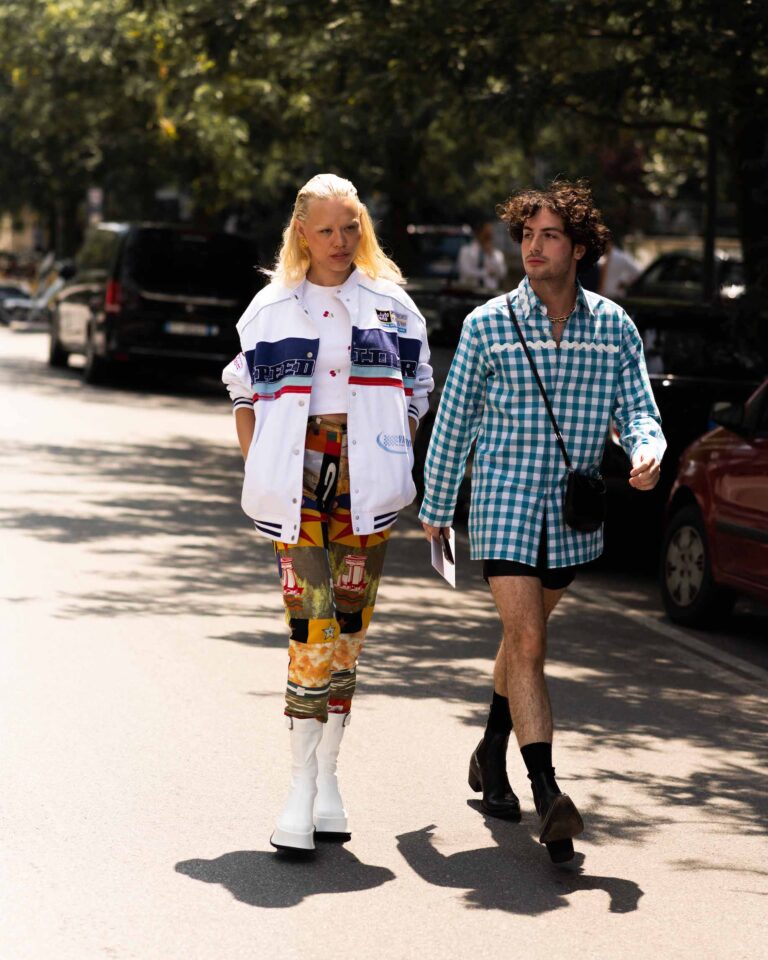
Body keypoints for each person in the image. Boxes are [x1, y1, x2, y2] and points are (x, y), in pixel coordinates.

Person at [419, 179, 665, 863]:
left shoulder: (613, 328)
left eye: (549, 235)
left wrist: (647, 451)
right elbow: (455, 422)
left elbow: (639, 412)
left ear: (579, 248)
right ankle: (548, 794)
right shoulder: (488, 324)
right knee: (527, 643)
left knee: (520, 640)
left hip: (571, 517)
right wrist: (437, 509)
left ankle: (490, 754)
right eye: (526, 235)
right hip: (500, 507)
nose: (533, 246)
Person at [222, 173, 433, 854]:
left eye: (351, 227)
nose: (341, 241)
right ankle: (297, 787)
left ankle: (327, 776)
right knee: (310, 623)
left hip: (367, 482)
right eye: (327, 230)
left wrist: (391, 435)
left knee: (349, 629)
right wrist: (258, 457)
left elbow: (419, 383)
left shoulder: (392, 304)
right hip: (298, 481)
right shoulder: (270, 308)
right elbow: (241, 384)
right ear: (301, 233)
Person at [457, 221, 507, 290]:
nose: (488, 238)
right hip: (470, 292)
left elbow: (502, 273)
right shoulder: (466, 251)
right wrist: (486, 272)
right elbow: (466, 272)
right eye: (486, 235)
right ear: (478, 233)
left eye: (490, 235)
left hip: (490, 293)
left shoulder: (497, 254)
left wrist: (490, 255)